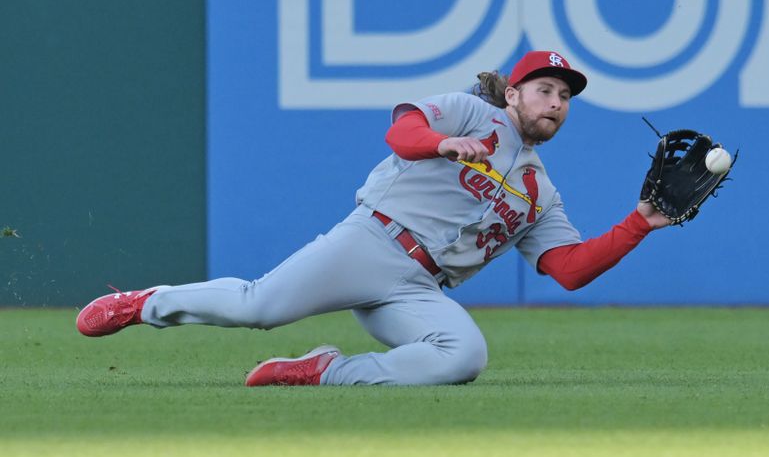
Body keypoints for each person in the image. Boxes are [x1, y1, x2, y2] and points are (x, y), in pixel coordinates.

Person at [76, 51, 670, 386]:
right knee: (258, 307)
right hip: (372, 242)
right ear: (513, 94)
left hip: (417, 287)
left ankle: (325, 371)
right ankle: (145, 303)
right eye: (545, 89)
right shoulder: (469, 113)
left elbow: (567, 268)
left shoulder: (541, 192)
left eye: (565, 98)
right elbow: (402, 129)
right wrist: (443, 145)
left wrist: (639, 222)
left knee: (463, 356)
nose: (556, 104)